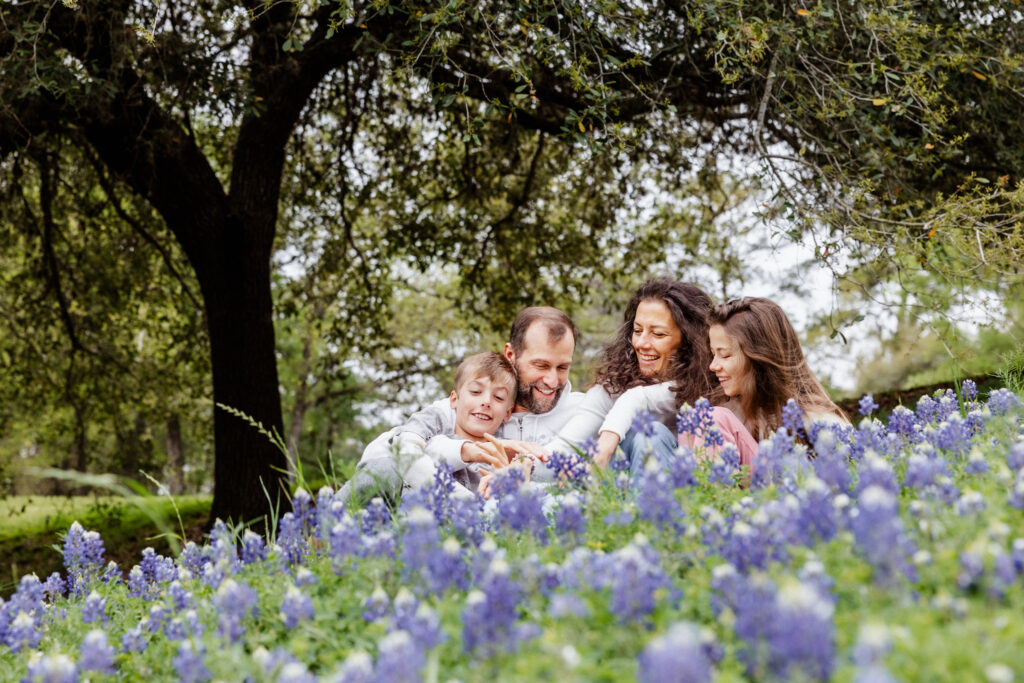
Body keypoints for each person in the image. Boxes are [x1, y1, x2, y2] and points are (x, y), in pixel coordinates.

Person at [337, 307, 584, 505]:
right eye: (540, 365)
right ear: (511, 355)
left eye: (562, 367)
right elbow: (386, 457)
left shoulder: (585, 412)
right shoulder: (465, 407)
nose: (552, 380)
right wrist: (475, 449)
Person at [534, 278, 718, 474]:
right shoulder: (612, 389)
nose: (640, 343)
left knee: (651, 434)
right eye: (637, 331)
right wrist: (524, 464)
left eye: (658, 334)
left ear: (690, 341)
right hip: (624, 498)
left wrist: (607, 443)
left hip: (693, 497)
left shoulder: (714, 386)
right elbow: (566, 447)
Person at [706, 297, 848, 441]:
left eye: (725, 355)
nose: (713, 366)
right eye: (713, 354)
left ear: (759, 358)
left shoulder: (821, 423)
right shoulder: (722, 418)